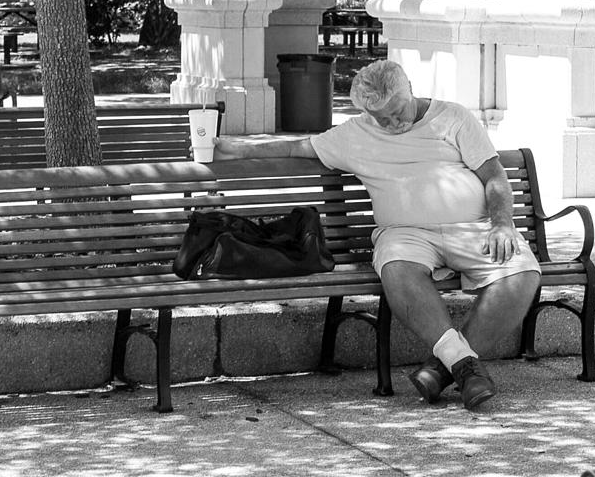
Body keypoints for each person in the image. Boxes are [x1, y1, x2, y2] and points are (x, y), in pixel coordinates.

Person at [213, 59, 541, 410]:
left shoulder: (454, 117)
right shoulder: (357, 133)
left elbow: (494, 176)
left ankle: (445, 367)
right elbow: (299, 147)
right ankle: (463, 366)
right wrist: (239, 148)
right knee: (396, 268)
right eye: (381, 118)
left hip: (474, 228)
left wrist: (503, 223)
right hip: (405, 234)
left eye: (397, 111)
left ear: (410, 88)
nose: (392, 123)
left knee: (522, 272)